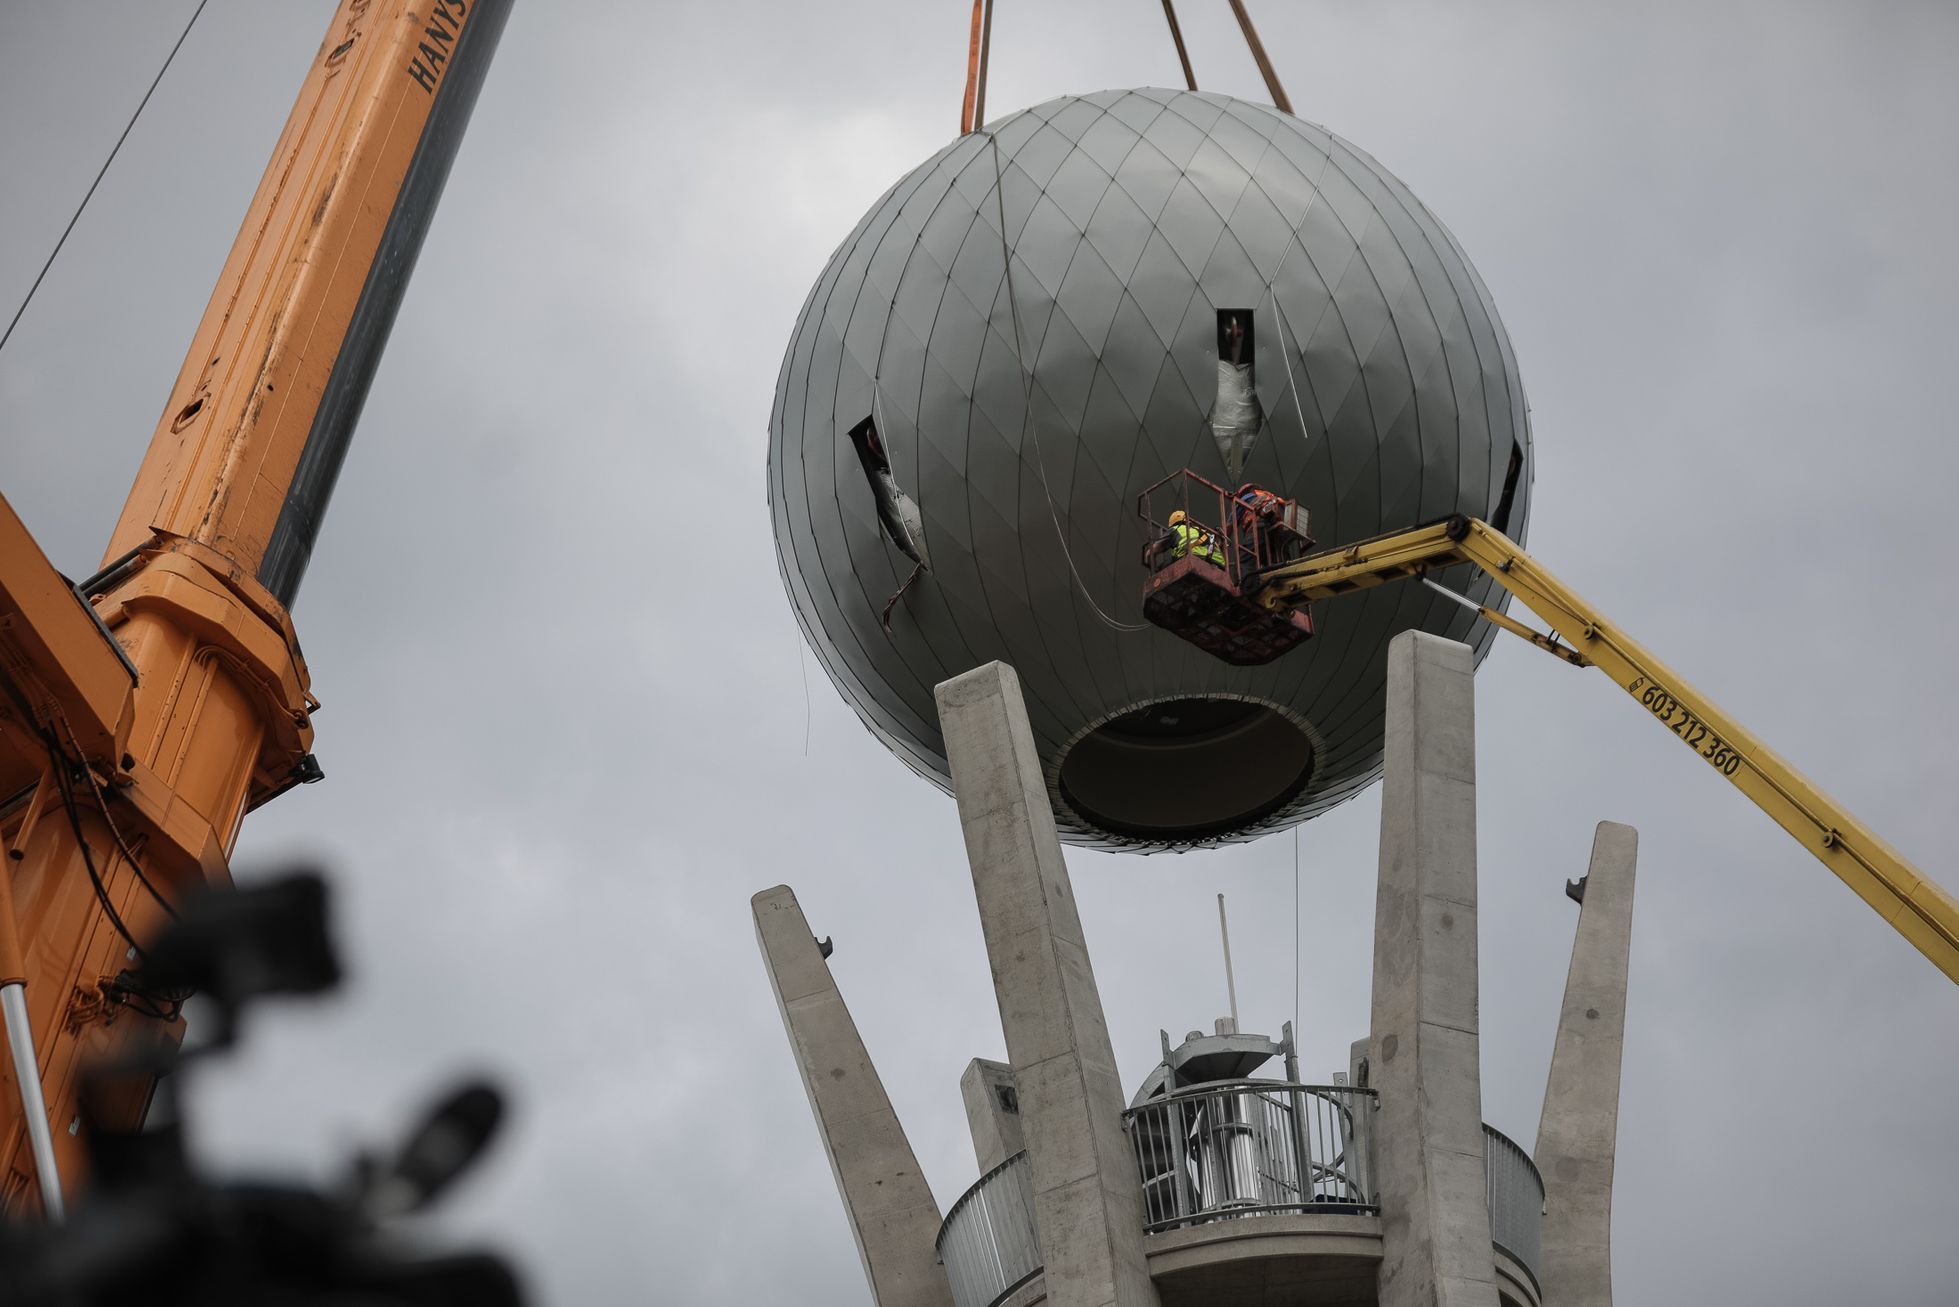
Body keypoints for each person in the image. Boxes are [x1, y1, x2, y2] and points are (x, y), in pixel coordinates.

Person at [1154, 508, 1226, 568]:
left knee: (1164, 566)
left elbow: (1153, 551)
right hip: (1219, 564)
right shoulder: (1203, 531)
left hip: (1198, 559)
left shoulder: (1175, 529)